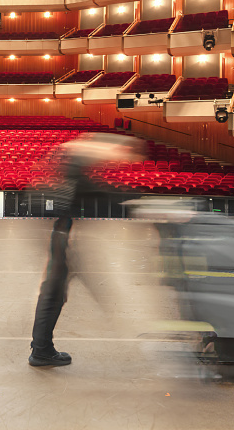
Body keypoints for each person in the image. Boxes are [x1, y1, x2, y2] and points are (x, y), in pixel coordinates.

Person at [28, 132, 144, 367]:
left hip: (62, 237)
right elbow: (102, 199)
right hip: (67, 240)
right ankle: (41, 350)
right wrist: (136, 204)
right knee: (53, 295)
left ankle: (42, 348)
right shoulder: (78, 175)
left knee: (53, 294)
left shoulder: (72, 173)